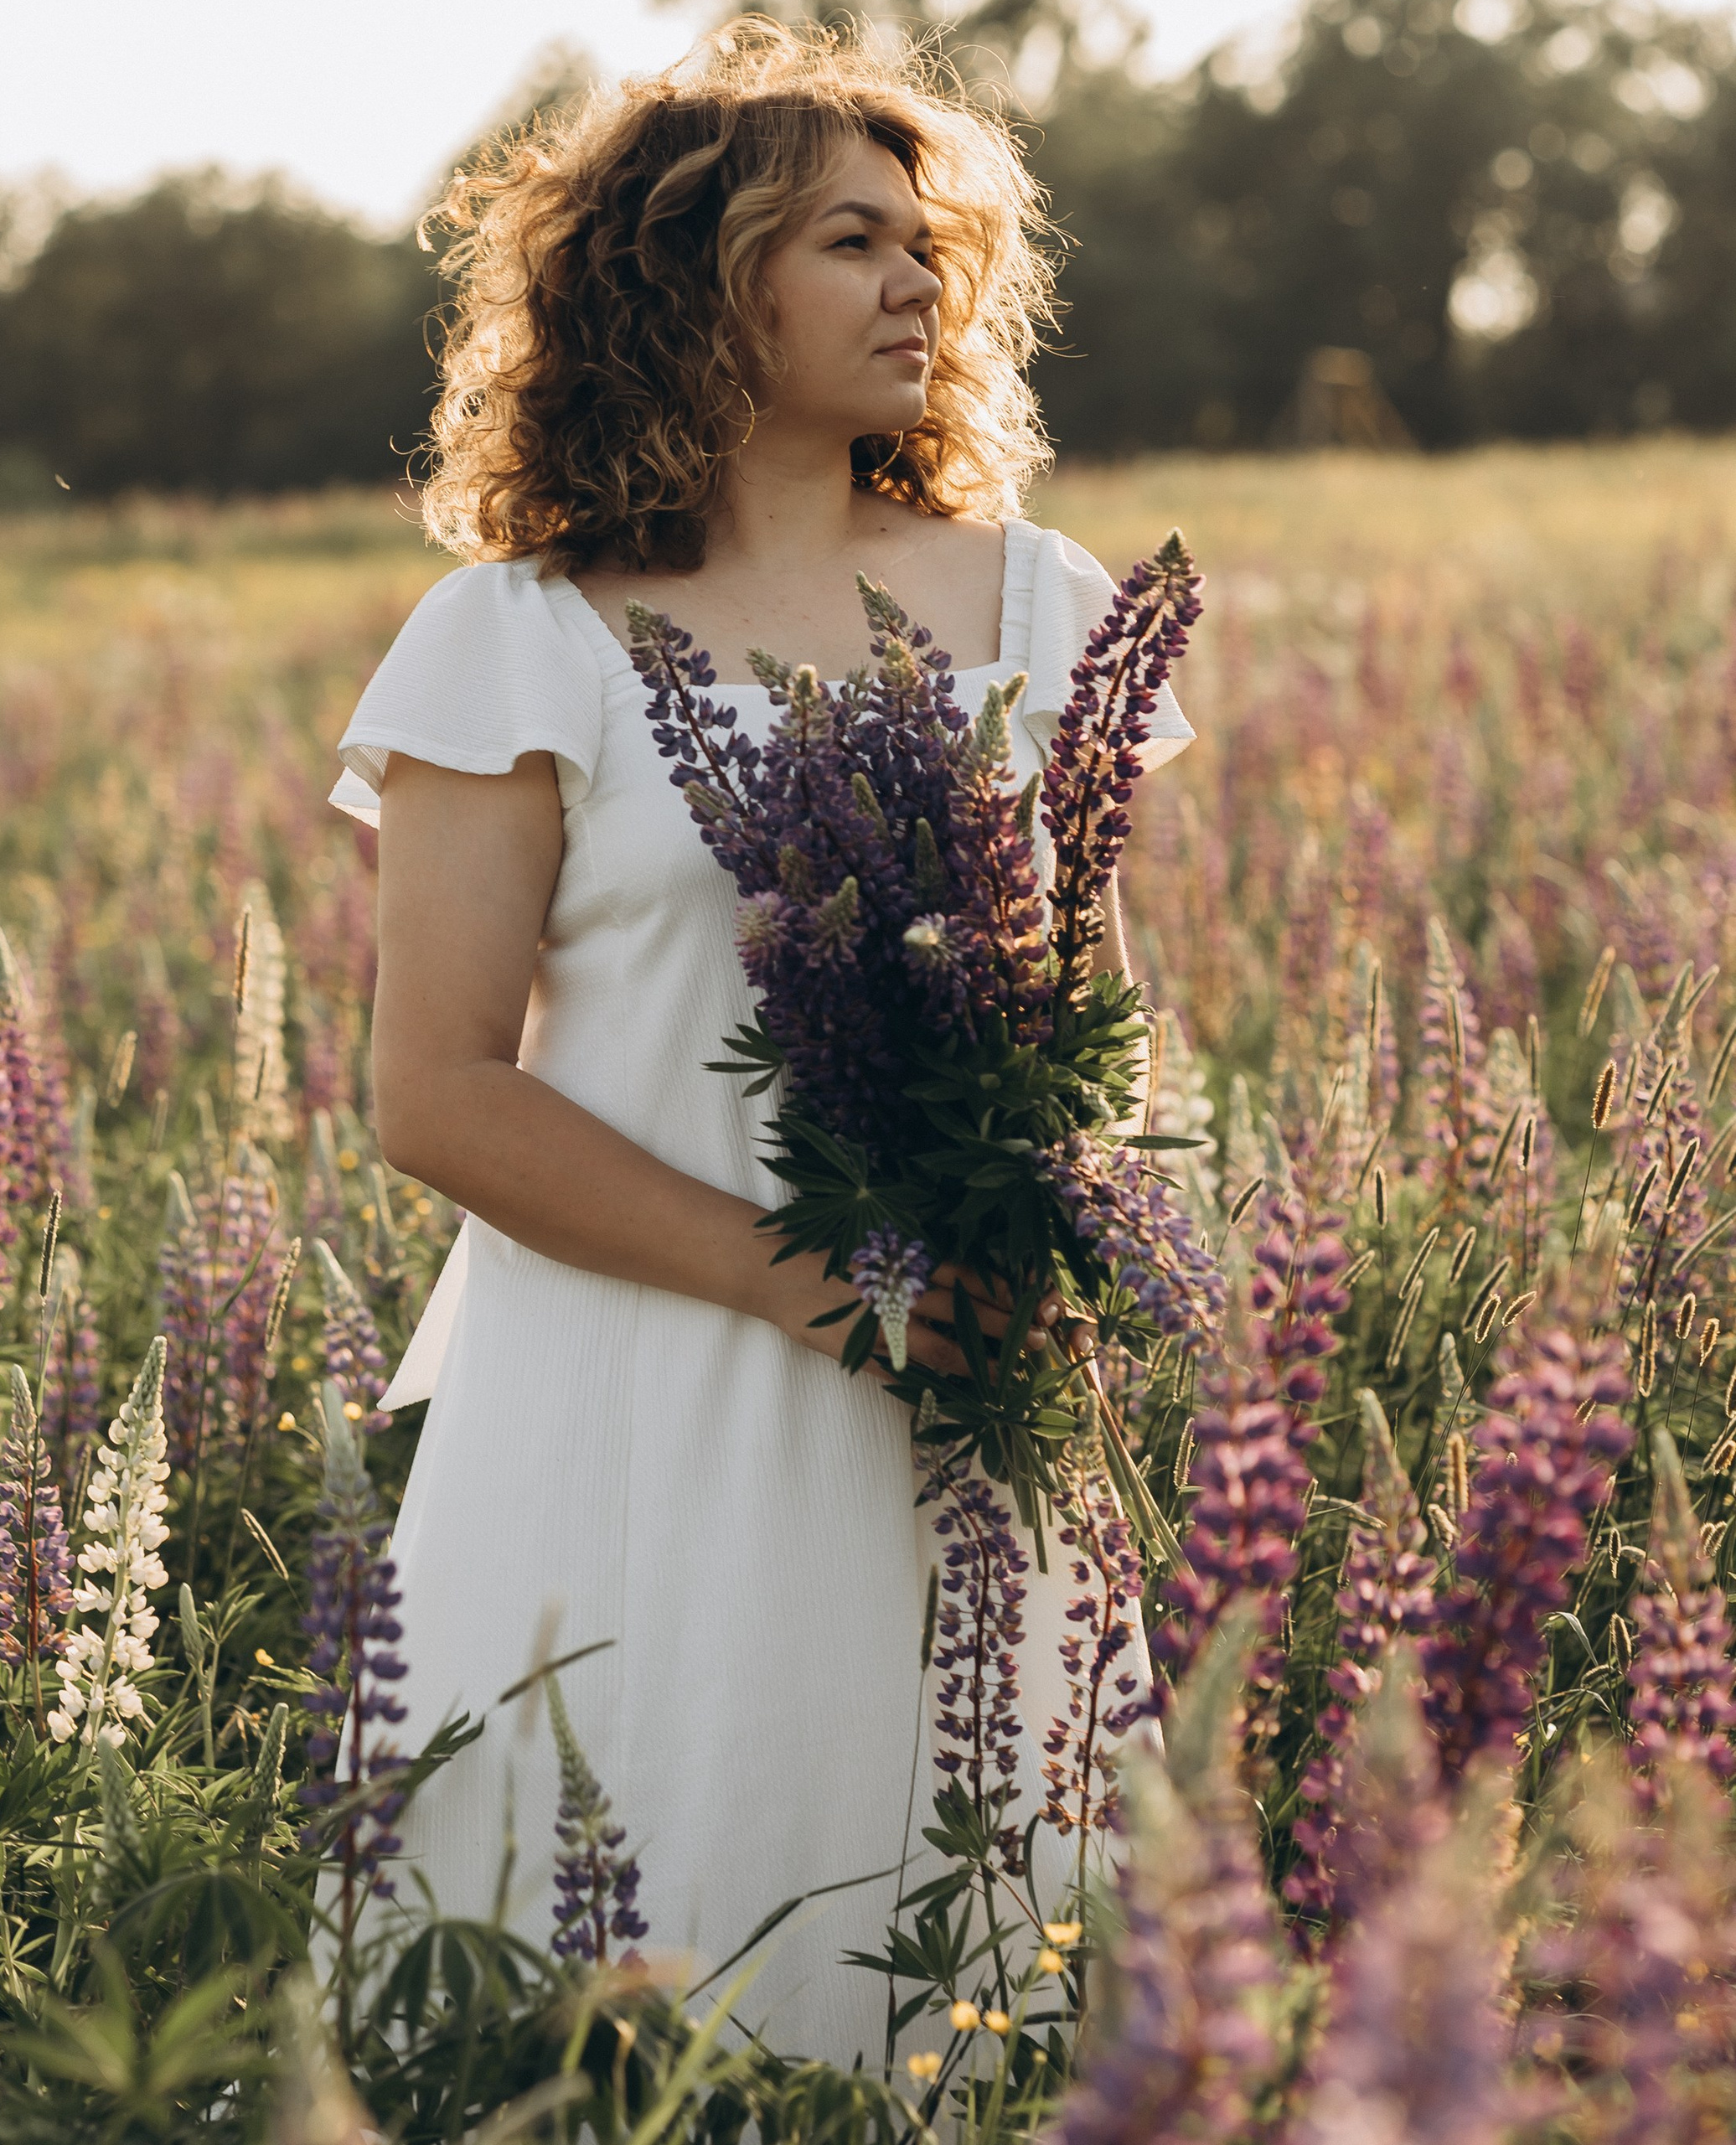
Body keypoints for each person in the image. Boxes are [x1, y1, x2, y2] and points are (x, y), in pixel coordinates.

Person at [326, 17, 1194, 2071]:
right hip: (637, 1368)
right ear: (693, 282)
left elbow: (1103, 1010)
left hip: (966, 1361)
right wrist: (812, 1284)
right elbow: (434, 1086)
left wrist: (1030, 1224)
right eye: (846, 242)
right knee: (605, 1970)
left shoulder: (1040, 601)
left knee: (990, 1953)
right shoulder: (513, 630)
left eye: (927, 246)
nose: (918, 285)